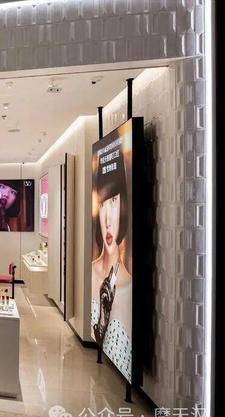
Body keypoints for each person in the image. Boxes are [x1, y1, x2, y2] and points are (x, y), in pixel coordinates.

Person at [91, 145, 133, 381]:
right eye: (102, 204)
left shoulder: (128, 286)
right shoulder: (91, 272)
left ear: (124, 204)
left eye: (114, 201)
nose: (107, 219)